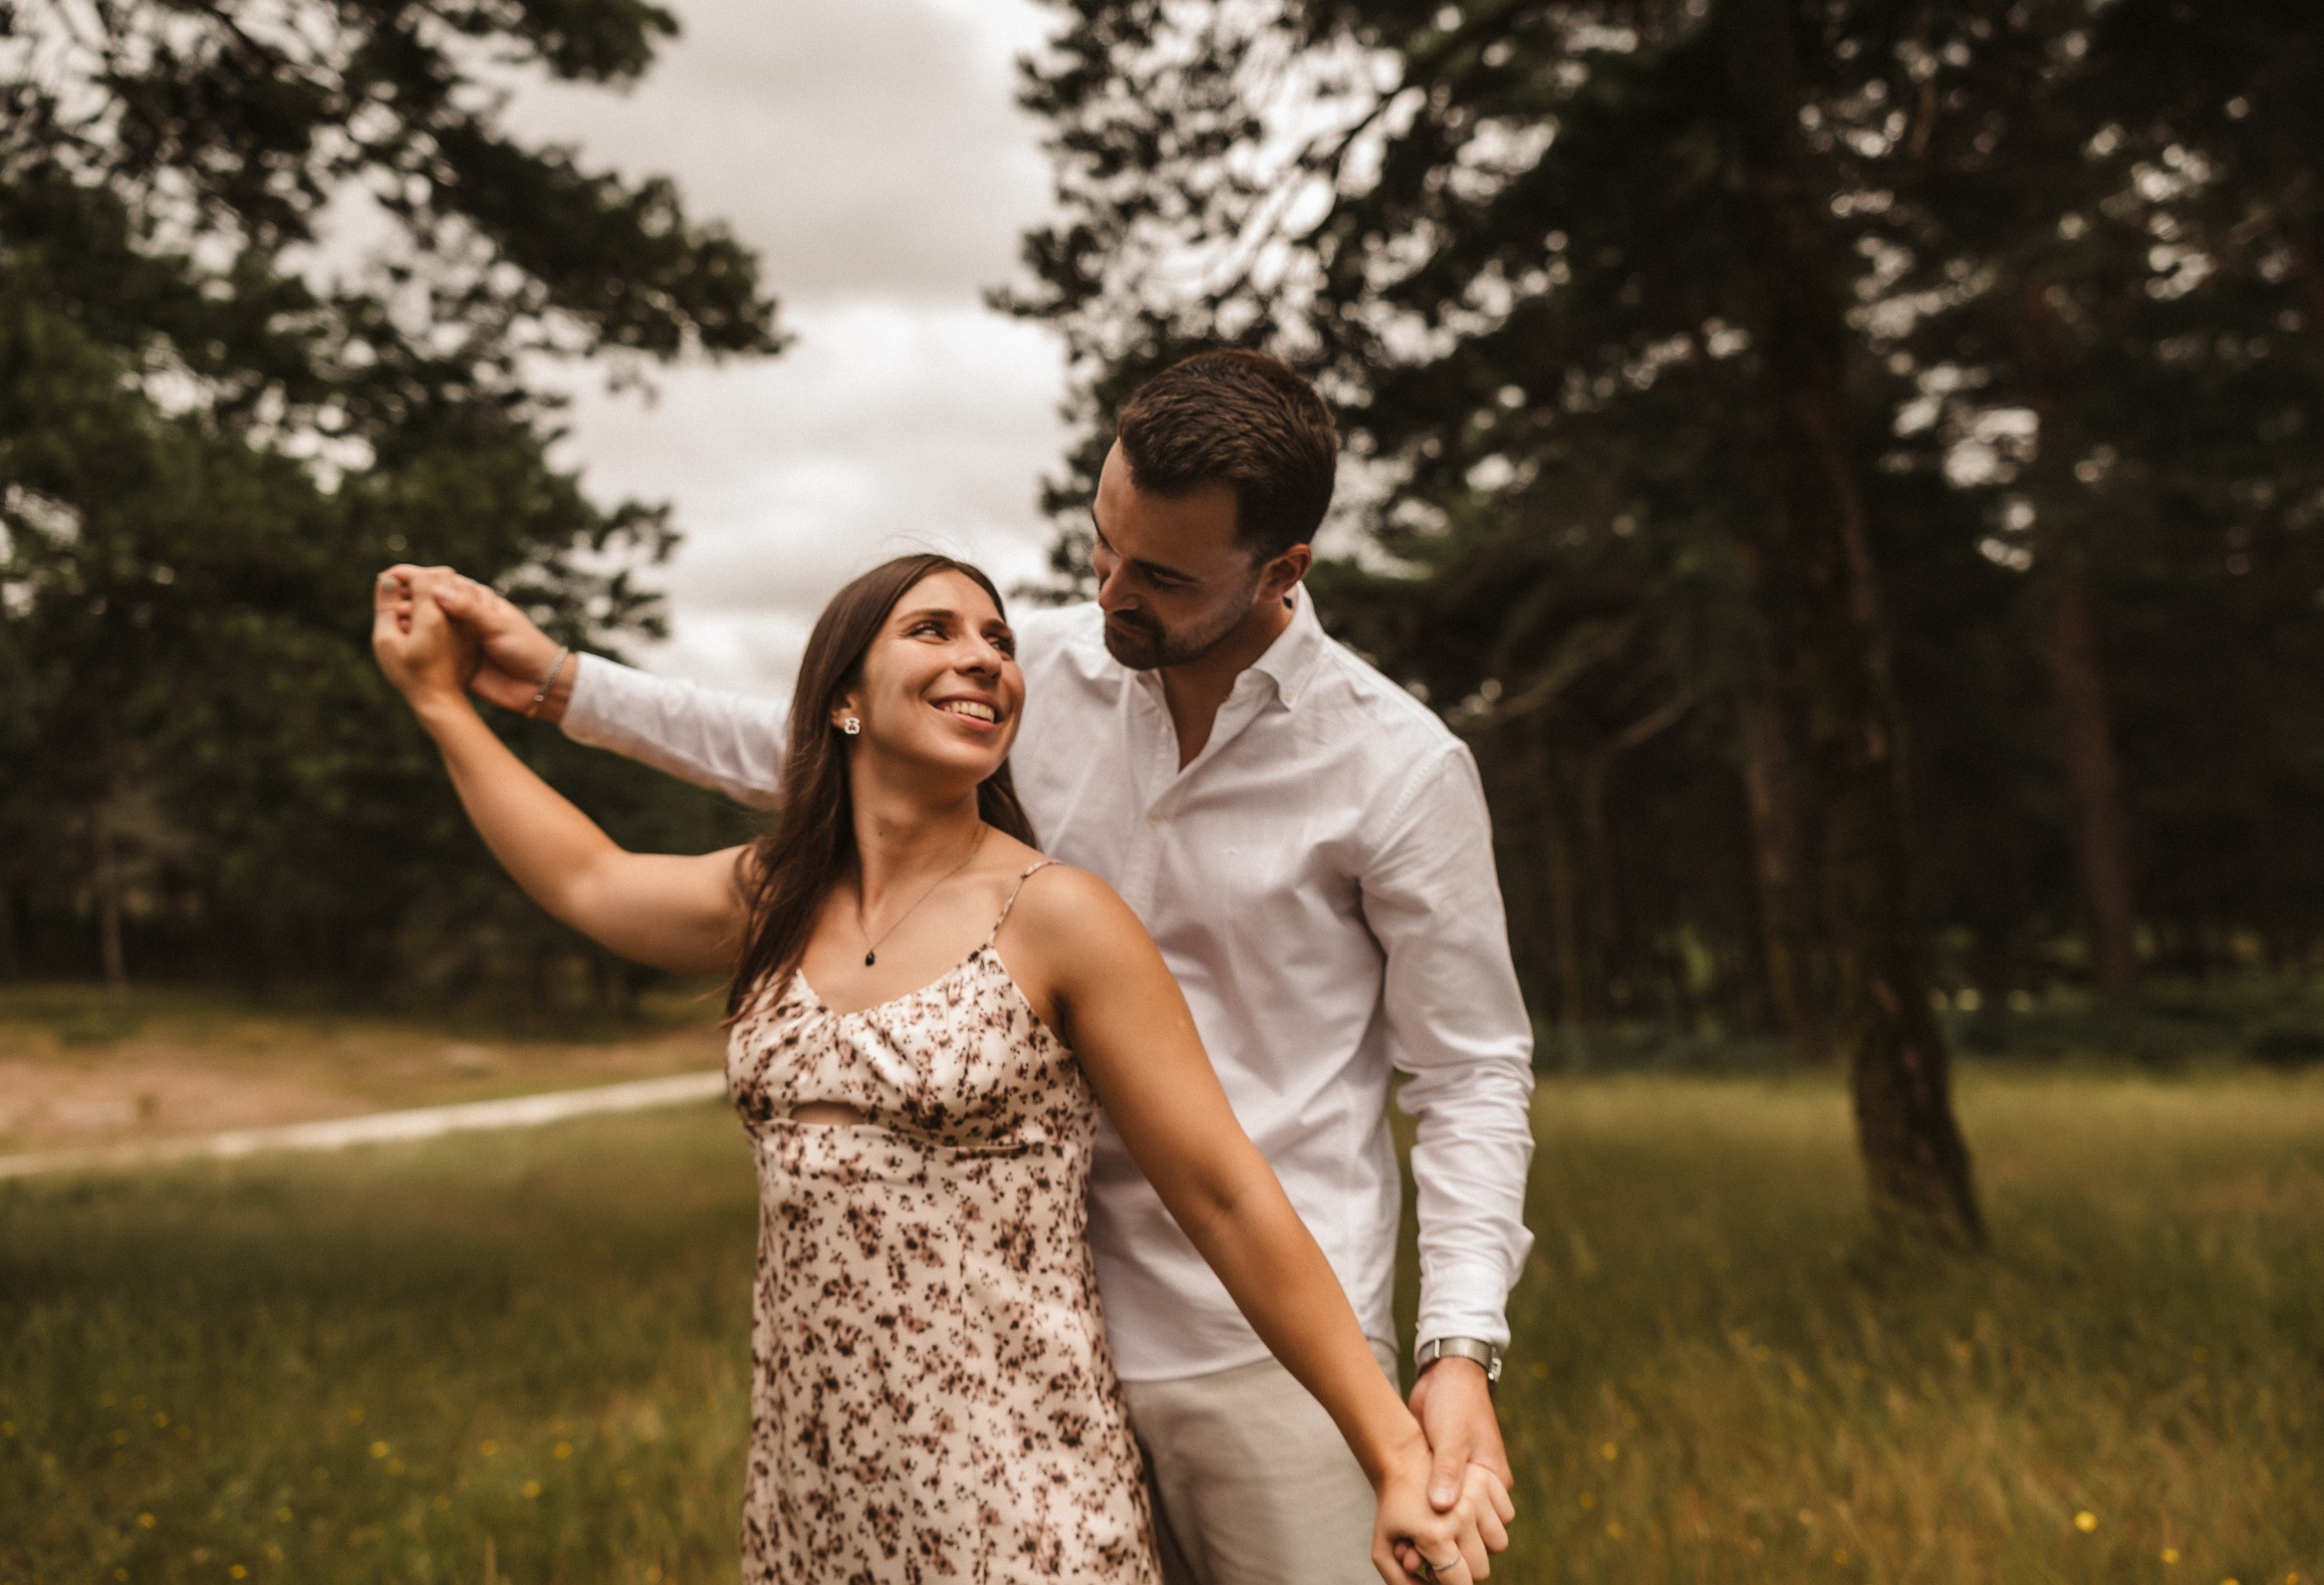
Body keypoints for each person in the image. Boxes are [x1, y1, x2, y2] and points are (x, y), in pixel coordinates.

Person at [397, 348, 1536, 1585]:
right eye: (1100, 543)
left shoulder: (1396, 769)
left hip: (1257, 1348)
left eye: (1156, 574)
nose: (1109, 590)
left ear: (1280, 571)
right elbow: (799, 740)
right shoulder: (1035, 671)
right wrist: (560, 685)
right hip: (1025, 1337)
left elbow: (1468, 1074)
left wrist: (1454, 1352)